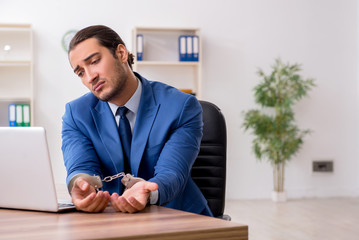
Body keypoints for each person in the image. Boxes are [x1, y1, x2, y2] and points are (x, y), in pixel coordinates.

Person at [61, 25, 213, 216]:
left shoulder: (181, 106)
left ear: (121, 53)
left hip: (177, 216)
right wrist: (80, 184)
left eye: (94, 61)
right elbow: (80, 166)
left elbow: (172, 173)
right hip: (111, 218)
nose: (90, 77)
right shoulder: (76, 114)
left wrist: (148, 192)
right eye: (80, 72)